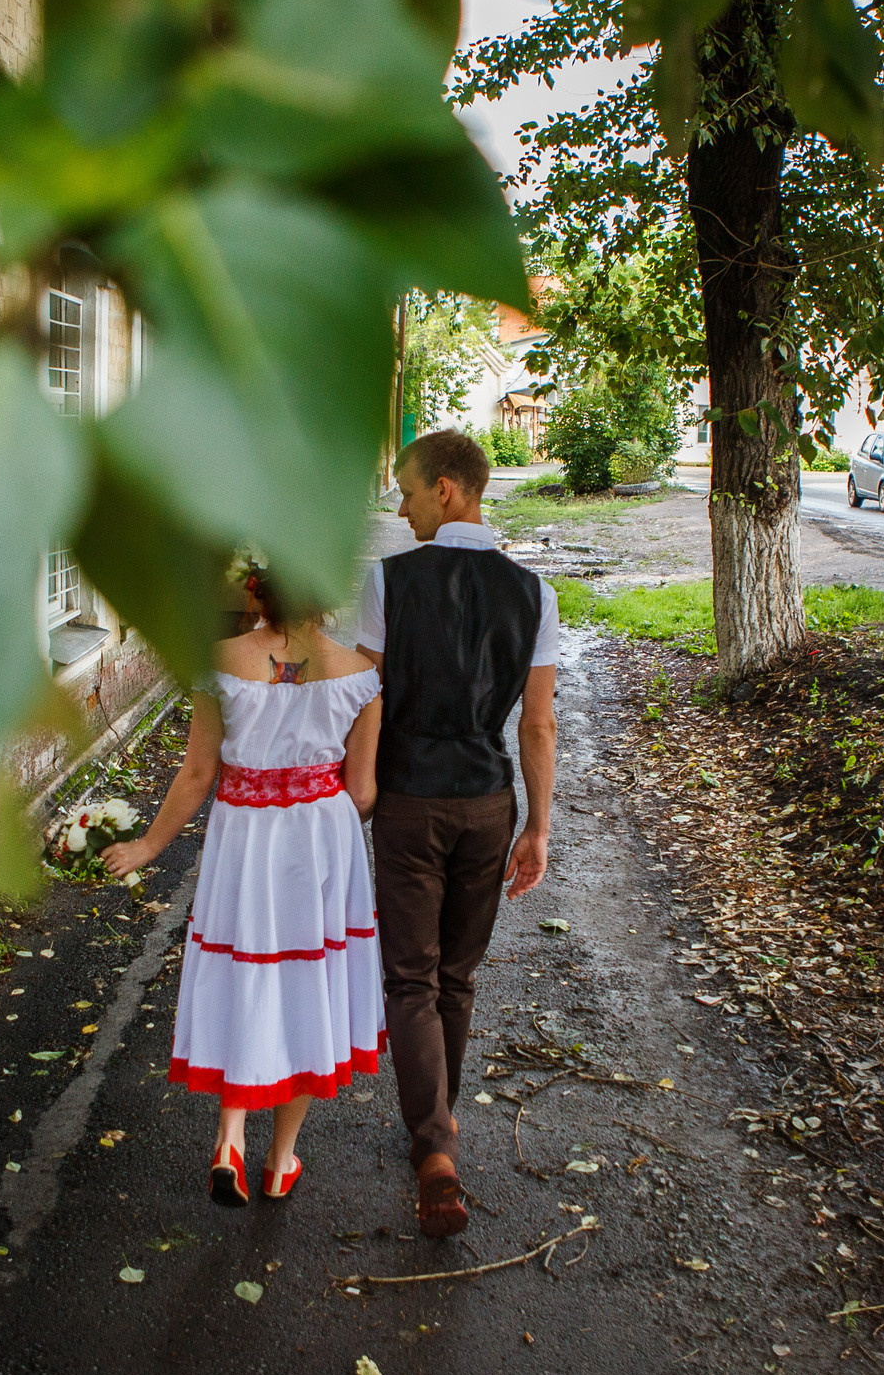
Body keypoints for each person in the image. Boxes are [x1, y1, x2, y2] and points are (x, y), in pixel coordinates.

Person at [102, 567, 385, 1207]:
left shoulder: (222, 662)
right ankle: (281, 1160)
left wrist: (147, 845)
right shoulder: (361, 675)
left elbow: (198, 771)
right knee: (310, 984)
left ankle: (231, 1136)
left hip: (246, 837)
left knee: (247, 970)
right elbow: (363, 790)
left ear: (256, 594)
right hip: (319, 840)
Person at [356, 429, 558, 1238]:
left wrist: (358, 790)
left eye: (406, 492)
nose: (399, 510)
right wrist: (539, 825)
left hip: (407, 797)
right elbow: (537, 725)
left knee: (410, 976)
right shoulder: (533, 592)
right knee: (457, 977)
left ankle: (433, 1142)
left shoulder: (388, 582)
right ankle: (438, 1121)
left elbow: (366, 695)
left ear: (448, 490)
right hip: (486, 803)